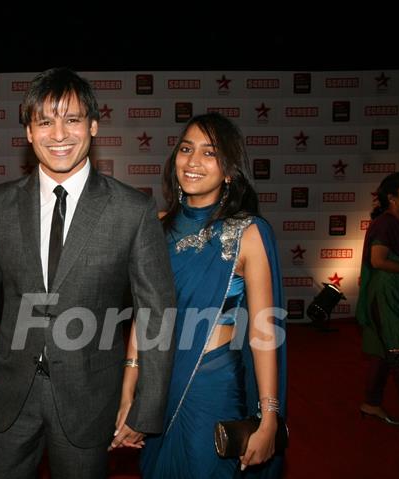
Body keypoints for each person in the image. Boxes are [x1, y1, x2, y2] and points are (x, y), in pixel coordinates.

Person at [0, 67, 177, 478]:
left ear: (93, 126)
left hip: (90, 402)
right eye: (45, 121)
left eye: (72, 119)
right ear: (28, 132)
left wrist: (146, 408)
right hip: (7, 401)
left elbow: (157, 314)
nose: (59, 134)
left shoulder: (131, 210)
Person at [132, 113, 287, 477]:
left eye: (210, 153)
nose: (193, 161)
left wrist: (268, 418)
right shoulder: (155, 226)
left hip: (211, 386)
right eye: (186, 149)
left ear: (230, 170)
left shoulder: (248, 233)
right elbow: (144, 316)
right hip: (158, 385)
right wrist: (131, 387)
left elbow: (264, 333)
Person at [356, 171, 399, 426]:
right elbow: (378, 260)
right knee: (398, 351)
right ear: (392, 197)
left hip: (393, 291)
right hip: (386, 294)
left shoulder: (396, 221)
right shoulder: (386, 223)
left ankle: (371, 403)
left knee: (382, 353)